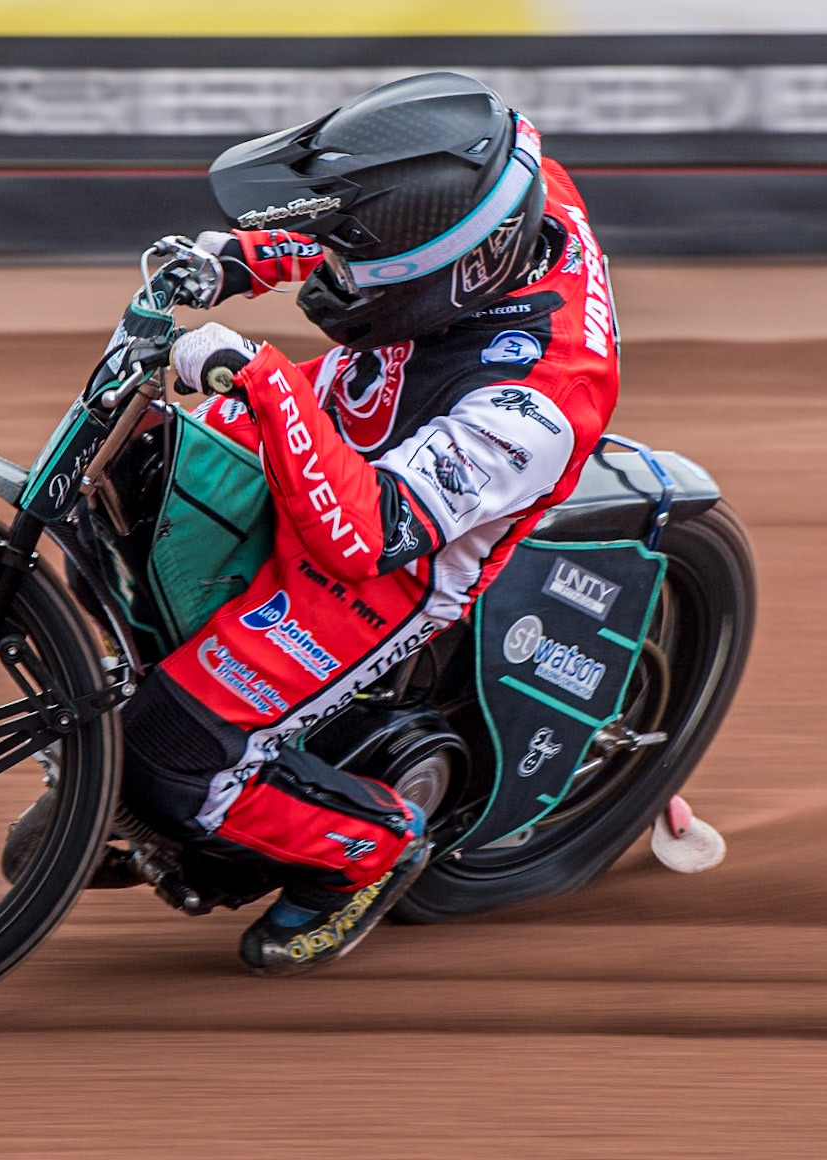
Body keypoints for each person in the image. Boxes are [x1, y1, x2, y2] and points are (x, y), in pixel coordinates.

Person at [122, 71, 621, 975]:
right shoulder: (491, 167)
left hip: (393, 560)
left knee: (166, 754)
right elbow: (353, 216)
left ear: (455, 272)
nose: (342, 268)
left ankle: (366, 850)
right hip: (377, 409)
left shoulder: (538, 405)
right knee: (134, 487)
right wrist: (236, 260)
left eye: (365, 267)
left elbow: (362, 538)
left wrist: (263, 375)